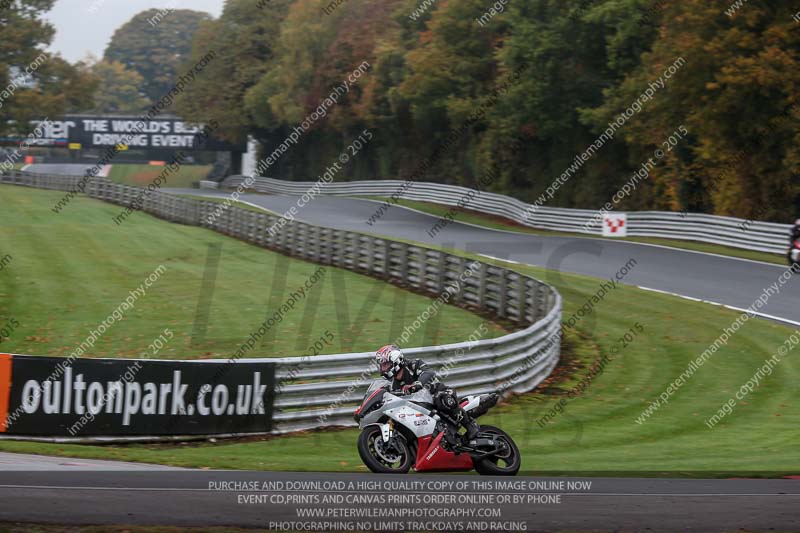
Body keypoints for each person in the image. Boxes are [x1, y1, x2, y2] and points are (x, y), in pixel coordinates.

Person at [374, 344, 481, 443]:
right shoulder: (394, 385)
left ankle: (470, 425)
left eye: (386, 365)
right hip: (420, 407)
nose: (383, 368)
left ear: (395, 360)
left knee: (443, 400)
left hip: (438, 393)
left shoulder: (413, 364)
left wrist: (418, 384)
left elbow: (429, 372)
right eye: (382, 366)